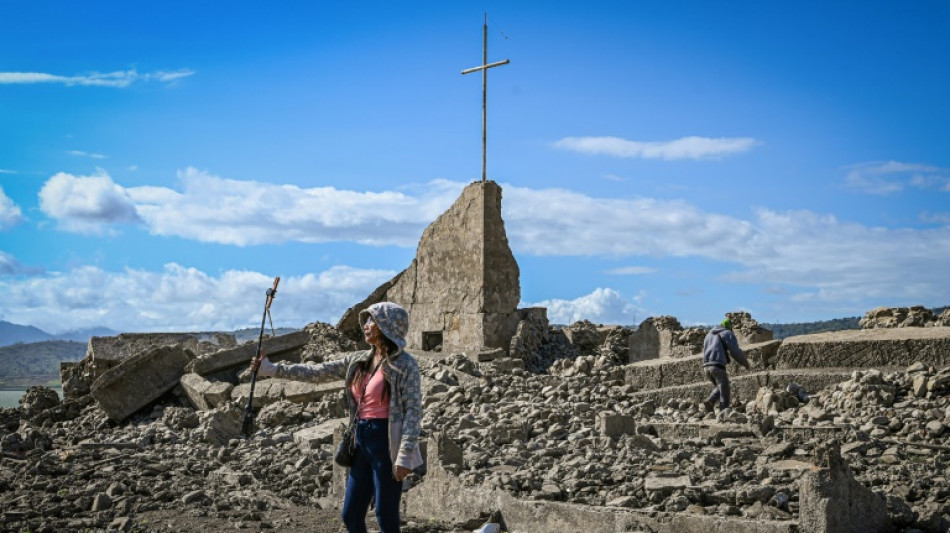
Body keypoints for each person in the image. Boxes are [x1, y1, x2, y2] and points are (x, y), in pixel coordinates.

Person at [250, 301, 423, 533]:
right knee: (351, 515)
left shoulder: (405, 365)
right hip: (360, 441)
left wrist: (405, 455)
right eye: (366, 320)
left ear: (387, 326)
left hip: (387, 443)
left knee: (385, 515)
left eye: (372, 320)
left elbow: (413, 410)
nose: (366, 325)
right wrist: (270, 369)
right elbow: (317, 372)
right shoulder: (358, 360)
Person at [701, 317, 751, 412]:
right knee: (725, 391)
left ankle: (710, 403)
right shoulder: (727, 333)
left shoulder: (708, 335)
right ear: (729, 327)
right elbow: (735, 351)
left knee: (720, 386)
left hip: (706, 366)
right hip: (717, 366)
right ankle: (724, 412)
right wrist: (746, 363)